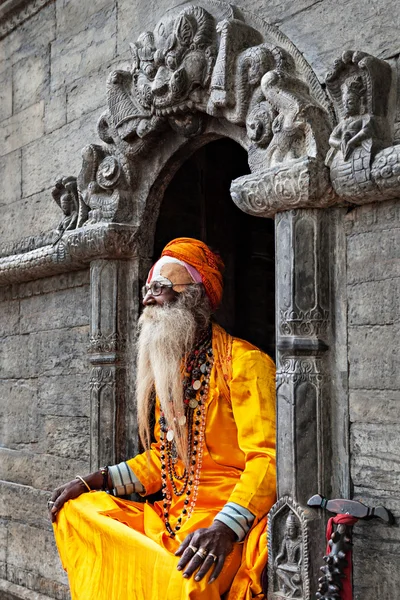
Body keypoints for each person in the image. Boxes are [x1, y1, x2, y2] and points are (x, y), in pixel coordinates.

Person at [49, 237, 276, 600]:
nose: (147, 298)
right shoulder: (172, 369)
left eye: (160, 288)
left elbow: (266, 461)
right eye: (147, 288)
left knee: (189, 583)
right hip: (168, 517)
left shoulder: (246, 364)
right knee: (78, 510)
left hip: (218, 526)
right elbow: (162, 459)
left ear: (195, 297)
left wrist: (224, 529)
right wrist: (97, 479)